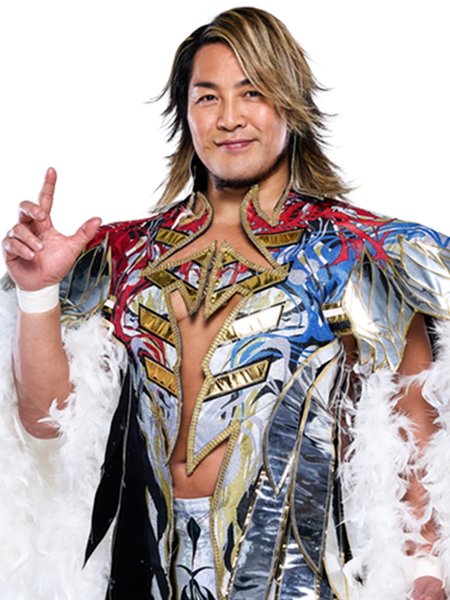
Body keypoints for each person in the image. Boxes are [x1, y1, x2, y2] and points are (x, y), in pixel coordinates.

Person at [1, 7, 449, 600]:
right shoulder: (123, 255)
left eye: (252, 92)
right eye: (208, 97)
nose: (230, 118)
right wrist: (37, 291)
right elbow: (47, 419)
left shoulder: (357, 253)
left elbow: (411, 427)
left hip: (300, 582)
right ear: (185, 113)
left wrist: (425, 572)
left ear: (290, 104)